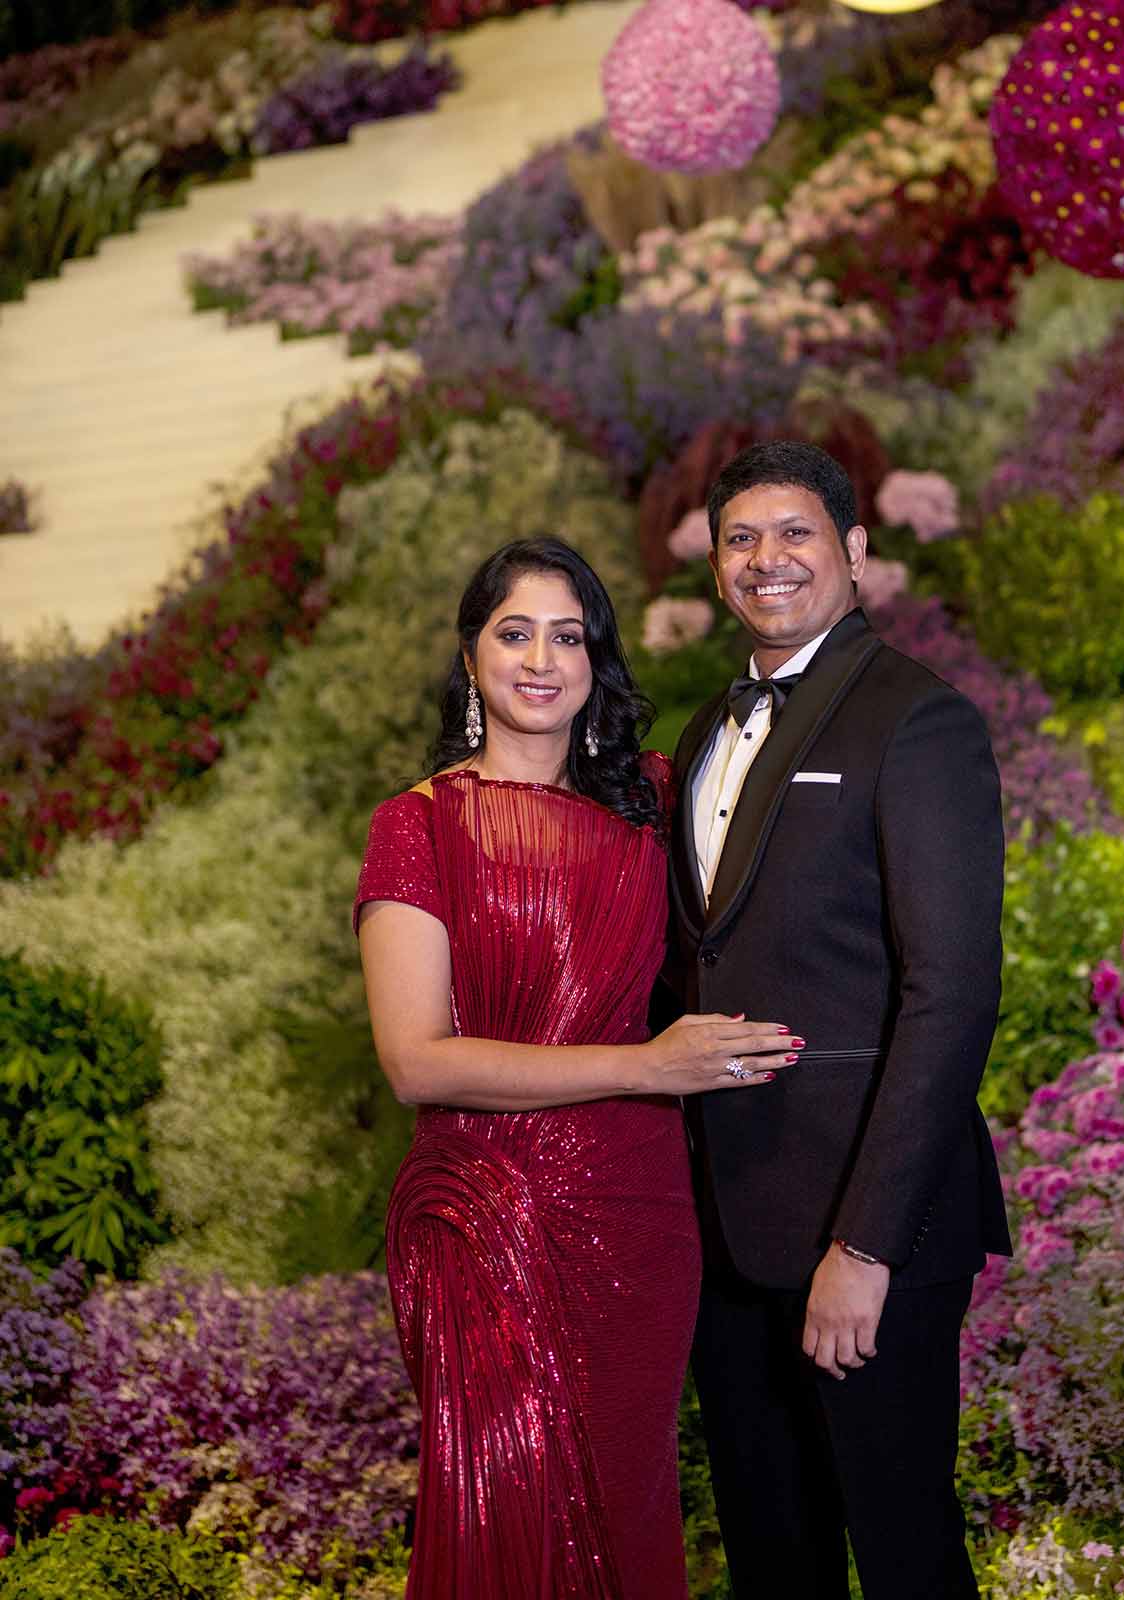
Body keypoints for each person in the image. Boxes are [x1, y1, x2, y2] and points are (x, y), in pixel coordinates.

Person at [353, 536, 800, 1600]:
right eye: (515, 634)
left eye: (569, 636)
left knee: (626, 1507)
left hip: (639, 1216)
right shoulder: (417, 826)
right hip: (482, 1216)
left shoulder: (648, 803)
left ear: (597, 659)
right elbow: (415, 1062)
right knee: (504, 1508)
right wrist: (649, 1066)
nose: (541, 660)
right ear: (471, 655)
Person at [667, 443, 1011, 1599]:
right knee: (773, 1558)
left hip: (867, 1233)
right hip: (726, 1231)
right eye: (740, 538)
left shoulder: (917, 720)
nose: (766, 558)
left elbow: (950, 994)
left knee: (904, 1551)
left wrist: (863, 1249)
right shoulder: (701, 734)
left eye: (795, 532)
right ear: (716, 567)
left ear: (854, 552)